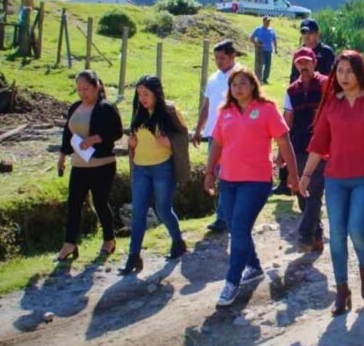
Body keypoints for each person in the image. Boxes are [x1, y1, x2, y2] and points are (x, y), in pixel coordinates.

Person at [299, 51, 364, 316]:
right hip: (335, 178)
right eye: (340, 71)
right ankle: (342, 290)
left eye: (349, 71)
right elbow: (319, 144)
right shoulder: (332, 103)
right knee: (336, 235)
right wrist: (306, 175)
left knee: (357, 229)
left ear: (360, 72)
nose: (344, 77)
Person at [204, 68, 299, 306]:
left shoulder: (266, 109)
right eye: (234, 84)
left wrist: (293, 175)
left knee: (239, 227)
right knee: (238, 227)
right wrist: (208, 172)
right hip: (228, 179)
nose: (238, 88)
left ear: (253, 85)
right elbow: (216, 143)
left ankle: (232, 281)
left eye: (243, 83)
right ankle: (254, 267)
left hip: (256, 181)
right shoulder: (225, 111)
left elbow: (284, 141)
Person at [120, 75, 189, 275]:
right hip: (141, 169)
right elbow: (135, 139)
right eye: (139, 94)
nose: (142, 98)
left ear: (156, 93)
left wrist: (169, 143)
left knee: (163, 210)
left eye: (146, 94)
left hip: (163, 169)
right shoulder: (138, 112)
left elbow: (182, 138)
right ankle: (133, 257)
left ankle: (177, 241)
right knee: (138, 214)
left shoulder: (169, 111)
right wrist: (130, 145)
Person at [57, 70, 123, 262]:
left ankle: (109, 239)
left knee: (100, 202)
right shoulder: (75, 107)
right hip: (79, 164)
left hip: (102, 164)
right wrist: (62, 156)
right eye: (79, 89)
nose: (82, 93)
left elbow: (116, 132)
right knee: (74, 203)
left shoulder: (106, 108)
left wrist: (95, 138)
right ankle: (69, 243)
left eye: (86, 89)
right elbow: (67, 134)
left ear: (97, 87)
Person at [282, 48, 328, 252]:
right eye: (299, 63)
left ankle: (304, 236)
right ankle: (317, 234)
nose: (303, 66)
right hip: (299, 146)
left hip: (322, 147)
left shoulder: (327, 84)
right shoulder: (291, 90)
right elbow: (287, 121)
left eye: (306, 62)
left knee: (315, 191)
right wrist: (280, 153)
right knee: (302, 193)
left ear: (314, 63)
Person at [193, 39, 240, 233]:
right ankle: (224, 215)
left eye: (222, 57)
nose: (219, 61)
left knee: (228, 175)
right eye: (216, 58)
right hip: (214, 134)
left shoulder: (241, 77)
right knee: (217, 174)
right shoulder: (213, 78)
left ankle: (224, 216)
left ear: (232, 56)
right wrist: (198, 129)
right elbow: (206, 105)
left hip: (234, 134)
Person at [289, 18, 335, 83]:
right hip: (301, 90)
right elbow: (293, 77)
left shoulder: (326, 52)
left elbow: (331, 76)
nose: (307, 36)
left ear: (317, 33)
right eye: (304, 32)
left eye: (310, 32)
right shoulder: (298, 53)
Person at [250, 16, 278, 84]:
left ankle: (265, 79)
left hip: (269, 50)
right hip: (260, 50)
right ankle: (258, 78)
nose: (268, 23)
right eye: (267, 21)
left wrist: (276, 48)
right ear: (263, 21)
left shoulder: (271, 30)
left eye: (269, 21)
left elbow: (274, 39)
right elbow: (251, 38)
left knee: (268, 65)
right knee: (260, 65)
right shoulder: (258, 29)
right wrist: (256, 44)